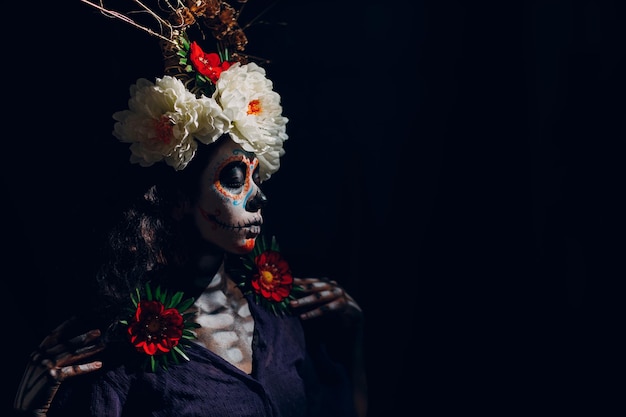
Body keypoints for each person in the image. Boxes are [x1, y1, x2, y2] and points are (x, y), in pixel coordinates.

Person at [13, 1, 367, 416]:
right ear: (179, 199)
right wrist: (30, 411)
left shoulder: (282, 315)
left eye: (257, 176)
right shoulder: (121, 349)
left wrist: (351, 341)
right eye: (234, 177)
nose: (259, 196)